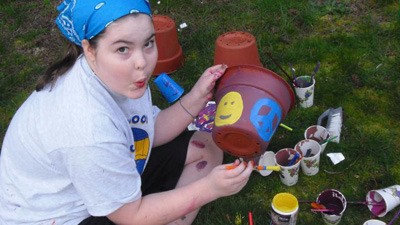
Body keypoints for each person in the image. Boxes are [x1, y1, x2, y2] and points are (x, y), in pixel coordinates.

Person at [0, 0, 253, 224]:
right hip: (62, 215)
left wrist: (197, 97)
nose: (142, 62)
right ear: (89, 49)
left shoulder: (119, 77)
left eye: (148, 43)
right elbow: (130, 216)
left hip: (103, 181)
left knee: (206, 144)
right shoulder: (87, 127)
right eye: (123, 49)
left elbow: (149, 130)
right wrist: (209, 189)